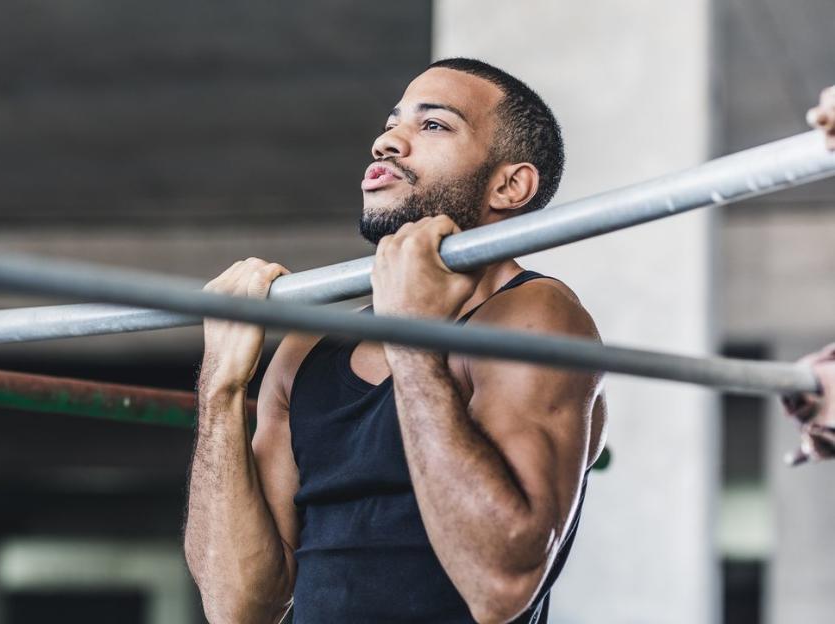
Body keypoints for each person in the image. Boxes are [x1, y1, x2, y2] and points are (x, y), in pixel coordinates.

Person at [183, 56, 835, 624]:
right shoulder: (306, 351)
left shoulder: (534, 317)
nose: (388, 142)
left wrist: (411, 339)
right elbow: (239, 608)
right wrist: (221, 385)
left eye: (432, 125)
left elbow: (500, 588)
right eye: (392, 124)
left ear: (509, 186)